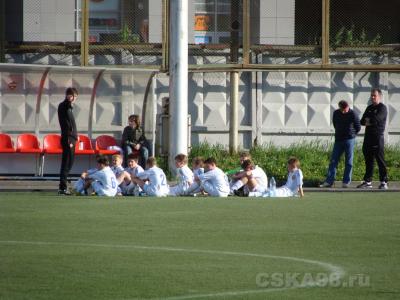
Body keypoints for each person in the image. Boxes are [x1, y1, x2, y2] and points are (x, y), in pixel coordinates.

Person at [320, 100, 361, 188]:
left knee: (349, 161)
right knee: (333, 160)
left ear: (348, 107)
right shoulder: (336, 113)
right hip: (338, 140)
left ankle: (346, 182)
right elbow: (335, 124)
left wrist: (351, 134)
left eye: (345, 109)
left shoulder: (353, 114)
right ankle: (329, 181)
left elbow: (358, 127)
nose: (343, 111)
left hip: (349, 140)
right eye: (341, 109)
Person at [357, 88, 388, 189]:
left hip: (377, 137)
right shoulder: (369, 107)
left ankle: (384, 182)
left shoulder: (382, 108)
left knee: (380, 160)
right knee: (368, 160)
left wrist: (369, 120)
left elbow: (376, 120)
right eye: (371, 95)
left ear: (380, 96)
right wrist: (369, 120)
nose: (372, 97)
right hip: (368, 138)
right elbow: (362, 121)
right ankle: (368, 182)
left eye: (374, 95)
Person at [57, 87, 78, 195]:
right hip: (68, 138)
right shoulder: (64, 105)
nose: (73, 99)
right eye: (72, 96)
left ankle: (63, 185)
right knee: (66, 163)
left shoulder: (69, 108)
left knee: (70, 162)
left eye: (74, 97)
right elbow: (67, 105)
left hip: (72, 138)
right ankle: (62, 187)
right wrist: (69, 100)